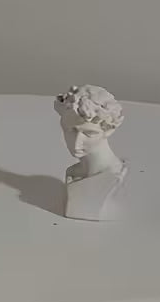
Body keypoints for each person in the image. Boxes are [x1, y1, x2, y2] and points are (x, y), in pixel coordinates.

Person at [54, 85, 127, 221]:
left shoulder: (111, 176)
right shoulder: (73, 172)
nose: (77, 143)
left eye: (89, 133)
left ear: (108, 130)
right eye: (70, 130)